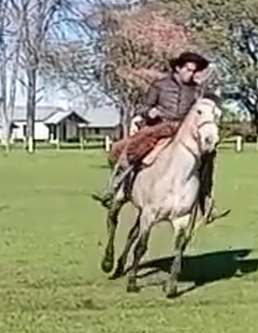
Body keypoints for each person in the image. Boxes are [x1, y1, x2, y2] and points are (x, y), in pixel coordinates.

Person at [91, 50, 229, 223]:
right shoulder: (160, 85)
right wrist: (149, 113)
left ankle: (206, 202)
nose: (191, 74)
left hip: (184, 130)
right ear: (178, 68)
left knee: (208, 156)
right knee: (133, 148)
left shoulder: (197, 90)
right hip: (159, 126)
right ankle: (115, 188)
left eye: (194, 71)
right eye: (188, 69)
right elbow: (144, 107)